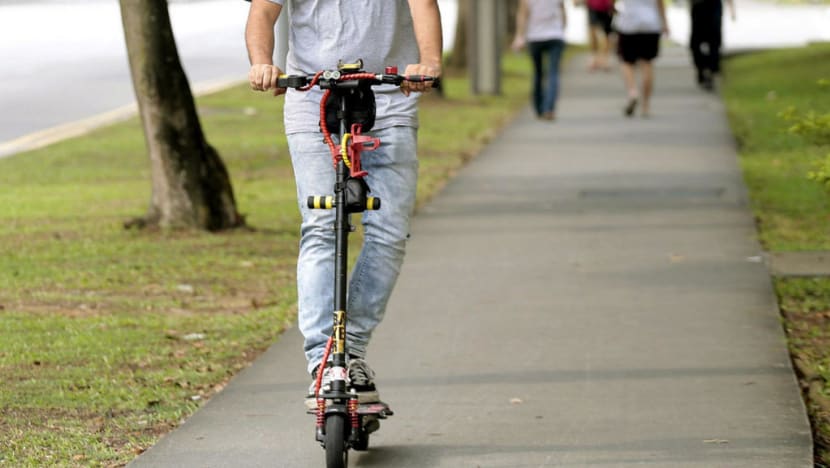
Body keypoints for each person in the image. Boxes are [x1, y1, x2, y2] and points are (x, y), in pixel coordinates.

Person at [244, 0, 442, 405]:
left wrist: (428, 62)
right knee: (321, 228)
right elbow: (263, 12)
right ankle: (323, 362)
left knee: (389, 232)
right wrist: (262, 62)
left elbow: (423, 4)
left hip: (389, 99)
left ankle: (347, 351)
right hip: (313, 101)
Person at [512, 0, 568, 121]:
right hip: (555, 35)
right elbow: (563, 12)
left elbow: (522, 15)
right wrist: (562, 31)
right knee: (553, 72)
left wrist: (519, 36)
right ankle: (549, 108)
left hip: (535, 37)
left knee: (538, 73)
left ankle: (539, 108)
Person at [611, 0, 669, 117]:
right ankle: (646, 106)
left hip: (628, 24)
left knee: (626, 62)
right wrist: (665, 23)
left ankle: (633, 92)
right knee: (647, 64)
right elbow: (660, 3)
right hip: (650, 25)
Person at [690, 0, 736, 90]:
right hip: (698, 6)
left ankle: (712, 70)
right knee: (695, 43)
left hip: (714, 6)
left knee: (714, 42)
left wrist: (732, 9)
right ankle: (702, 67)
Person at [586, 0, 615, 71]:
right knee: (595, 34)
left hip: (606, 7)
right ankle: (595, 58)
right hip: (593, 7)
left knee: (605, 35)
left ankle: (603, 59)